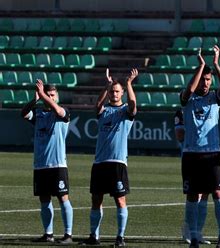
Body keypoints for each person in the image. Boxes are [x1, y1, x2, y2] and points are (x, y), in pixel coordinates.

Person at [80, 68, 138, 247]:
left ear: (121, 93)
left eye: (116, 91)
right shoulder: (103, 111)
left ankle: (120, 237)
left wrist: (128, 84)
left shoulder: (125, 112)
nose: (114, 94)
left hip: (117, 163)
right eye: (112, 91)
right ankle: (93, 236)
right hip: (99, 162)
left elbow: (133, 105)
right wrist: (106, 85)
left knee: (120, 200)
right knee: (96, 200)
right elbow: (97, 105)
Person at [180, 45, 220, 248]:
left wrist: (216, 64)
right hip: (191, 154)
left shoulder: (214, 98)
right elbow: (188, 90)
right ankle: (193, 236)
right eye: (204, 79)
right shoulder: (188, 98)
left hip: (212, 154)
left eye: (209, 80)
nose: (206, 83)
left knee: (218, 194)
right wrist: (200, 66)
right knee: (192, 195)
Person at [21, 80, 74, 244]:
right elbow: (23, 113)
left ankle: (68, 234)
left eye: (52, 95)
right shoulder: (38, 114)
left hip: (57, 164)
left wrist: (43, 95)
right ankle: (48, 234)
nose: (50, 98)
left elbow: (58, 110)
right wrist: (35, 100)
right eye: (48, 95)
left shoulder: (62, 112)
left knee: (63, 197)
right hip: (40, 165)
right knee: (44, 199)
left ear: (56, 96)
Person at [174, 109, 211, 245]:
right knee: (195, 194)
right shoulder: (182, 112)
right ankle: (188, 230)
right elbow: (180, 135)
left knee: (206, 193)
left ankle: (198, 232)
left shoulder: (207, 109)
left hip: (208, 154)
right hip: (191, 156)